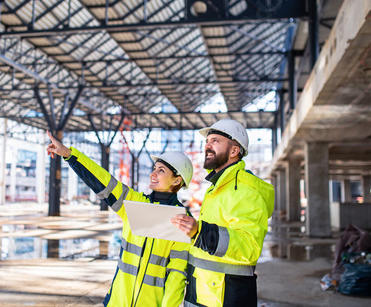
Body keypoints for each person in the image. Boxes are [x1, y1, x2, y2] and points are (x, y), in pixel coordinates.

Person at [46, 130, 193, 307]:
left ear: (177, 181)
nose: (153, 174)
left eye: (161, 170)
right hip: (116, 302)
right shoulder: (135, 204)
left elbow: (177, 275)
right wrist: (69, 155)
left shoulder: (182, 220)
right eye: (154, 169)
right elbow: (101, 179)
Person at [171, 119, 275, 307]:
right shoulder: (216, 188)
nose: (207, 146)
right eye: (207, 141)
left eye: (215, 141)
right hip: (204, 292)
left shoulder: (245, 191)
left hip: (226, 296)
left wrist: (199, 232)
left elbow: (249, 248)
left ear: (234, 151)